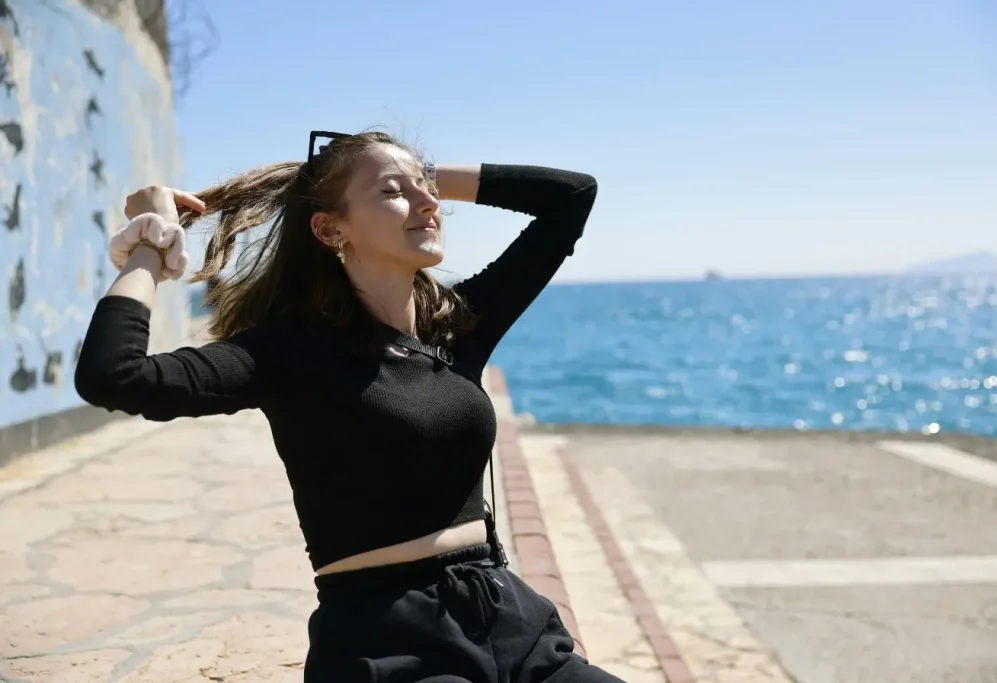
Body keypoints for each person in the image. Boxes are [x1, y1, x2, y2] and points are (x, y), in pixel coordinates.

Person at [74, 130, 622, 682]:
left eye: (426, 189)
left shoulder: (457, 328)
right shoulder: (287, 352)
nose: (428, 202)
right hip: (388, 641)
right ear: (331, 229)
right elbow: (114, 376)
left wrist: (422, 178)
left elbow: (570, 196)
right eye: (392, 192)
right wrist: (150, 242)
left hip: (506, 616)